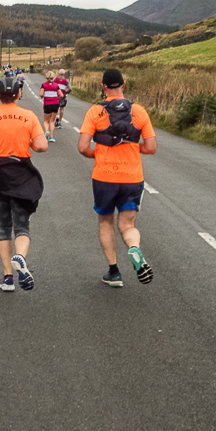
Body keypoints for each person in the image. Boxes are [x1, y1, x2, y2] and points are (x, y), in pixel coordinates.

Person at [77, 68, 157, 287]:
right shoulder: (139, 111)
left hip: (104, 177)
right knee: (128, 224)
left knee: (105, 221)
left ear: (103, 87)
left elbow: (83, 147)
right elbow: (151, 148)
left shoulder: (95, 111)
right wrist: (131, 146)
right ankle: (134, 248)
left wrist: (100, 153)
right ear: (124, 85)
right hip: (132, 177)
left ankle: (114, 272)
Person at [0, 75, 48, 292]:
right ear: (18, 95)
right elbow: (42, 146)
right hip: (22, 176)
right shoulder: (29, 116)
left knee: (4, 227)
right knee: (22, 226)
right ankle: (20, 257)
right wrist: (28, 142)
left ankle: (8, 278)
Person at [38, 73, 61, 141]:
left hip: (47, 104)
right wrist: (57, 98)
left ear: (46, 78)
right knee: (52, 121)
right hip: (55, 103)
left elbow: (41, 94)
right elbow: (61, 95)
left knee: (46, 120)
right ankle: (51, 137)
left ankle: (46, 130)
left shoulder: (44, 85)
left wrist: (43, 96)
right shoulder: (56, 85)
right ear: (53, 77)